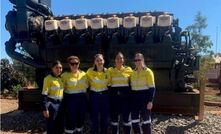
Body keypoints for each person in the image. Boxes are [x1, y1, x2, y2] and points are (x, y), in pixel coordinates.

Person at [62, 56, 88, 134]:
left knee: (81, 118)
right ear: (69, 65)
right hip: (70, 100)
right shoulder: (64, 75)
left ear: (79, 64)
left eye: (76, 63)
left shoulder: (84, 74)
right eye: (72, 63)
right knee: (70, 119)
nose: (74, 65)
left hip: (82, 99)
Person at [130, 53, 156, 134]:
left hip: (144, 98)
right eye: (136, 60)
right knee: (134, 121)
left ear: (143, 60)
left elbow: (152, 87)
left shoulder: (148, 72)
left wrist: (150, 101)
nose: (137, 61)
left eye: (139, 60)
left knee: (146, 122)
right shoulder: (133, 73)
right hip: (134, 99)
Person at [108, 52, 133, 134]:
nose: (119, 60)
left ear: (123, 60)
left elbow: (133, 82)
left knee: (126, 119)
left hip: (126, 99)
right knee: (114, 120)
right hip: (115, 99)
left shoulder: (129, 69)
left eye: (121, 58)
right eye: (117, 58)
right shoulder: (110, 70)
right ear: (114, 60)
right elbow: (107, 83)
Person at [86, 54, 109, 134]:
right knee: (94, 118)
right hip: (94, 96)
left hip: (104, 96)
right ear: (95, 62)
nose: (99, 62)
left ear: (104, 61)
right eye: (97, 60)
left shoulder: (108, 71)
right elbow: (86, 84)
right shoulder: (89, 71)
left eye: (101, 60)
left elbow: (110, 84)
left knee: (104, 118)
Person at [42, 60, 64, 134]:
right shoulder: (48, 79)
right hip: (52, 105)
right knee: (51, 126)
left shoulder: (61, 78)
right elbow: (44, 94)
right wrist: (45, 109)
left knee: (60, 126)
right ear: (52, 68)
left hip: (61, 105)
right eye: (56, 68)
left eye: (60, 68)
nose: (59, 69)